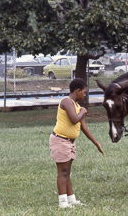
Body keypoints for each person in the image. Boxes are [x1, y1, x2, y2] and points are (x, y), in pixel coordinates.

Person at [49, 78, 104, 208]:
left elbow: (84, 127)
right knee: (62, 172)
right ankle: (63, 203)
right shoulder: (67, 101)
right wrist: (83, 112)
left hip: (69, 143)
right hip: (60, 140)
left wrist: (97, 143)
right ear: (77, 91)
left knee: (67, 172)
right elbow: (74, 119)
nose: (85, 95)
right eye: (84, 92)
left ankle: (71, 199)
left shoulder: (77, 106)